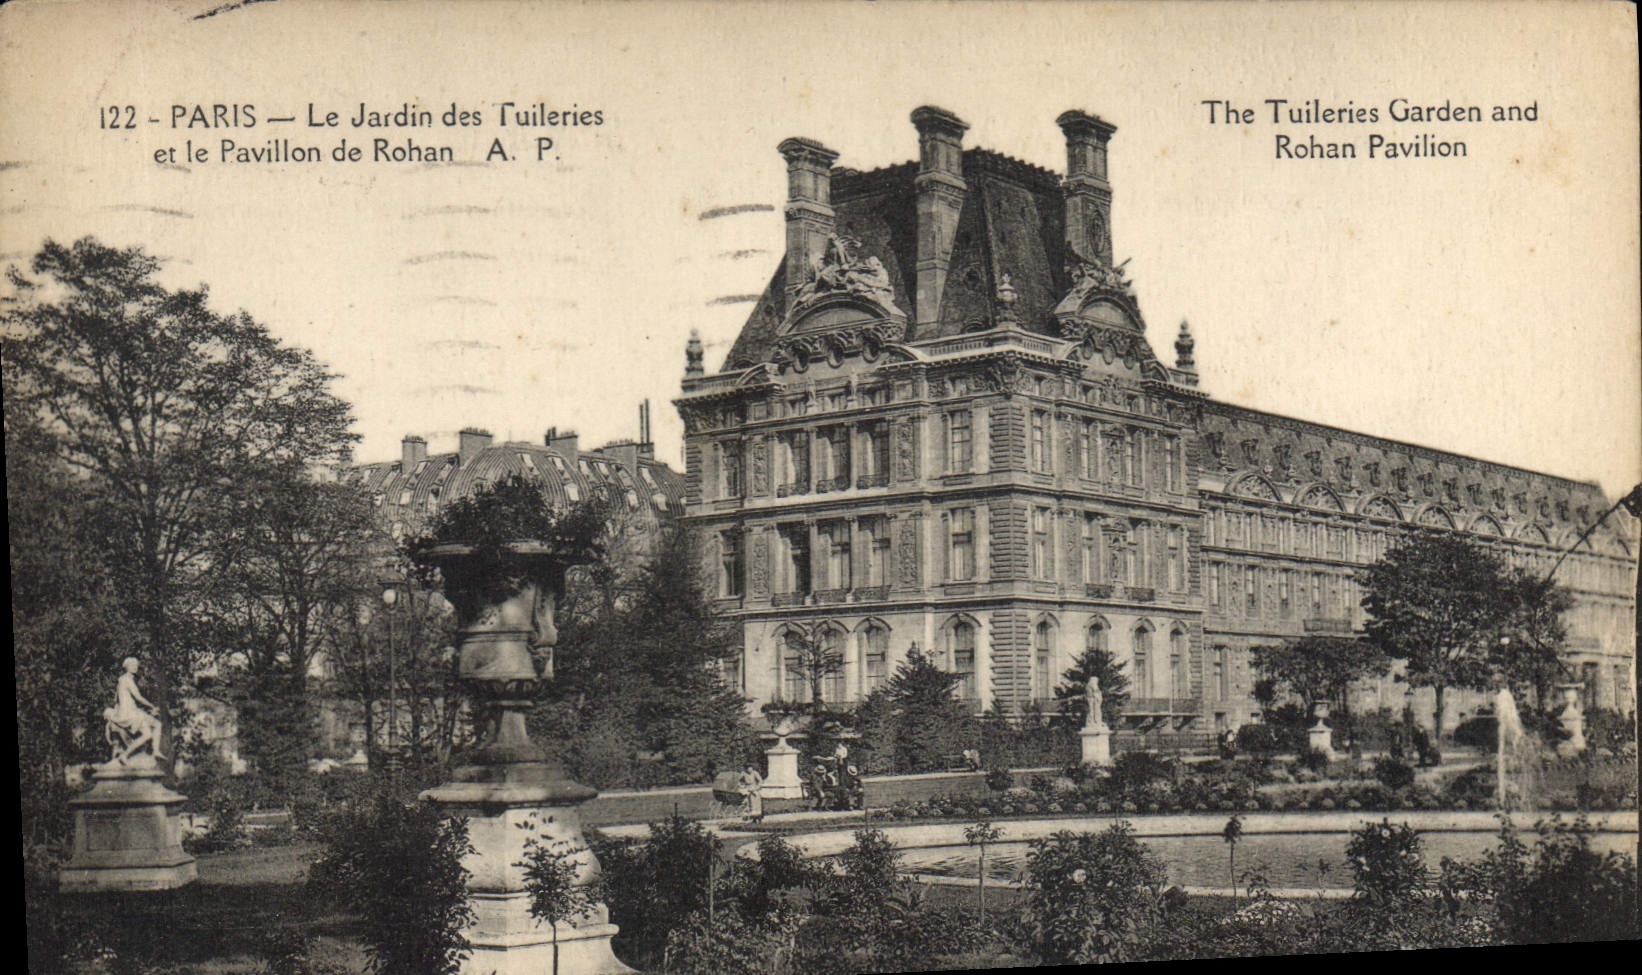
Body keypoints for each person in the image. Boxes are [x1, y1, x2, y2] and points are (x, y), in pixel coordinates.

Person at [106, 656, 164, 763]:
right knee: (157, 724)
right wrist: (151, 706)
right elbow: (138, 697)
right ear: (127, 667)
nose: (135, 667)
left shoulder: (122, 680)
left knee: (148, 735)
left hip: (129, 713)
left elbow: (116, 700)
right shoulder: (127, 680)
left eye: (136, 665)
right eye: (133, 665)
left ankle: (125, 755)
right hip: (130, 714)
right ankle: (155, 750)